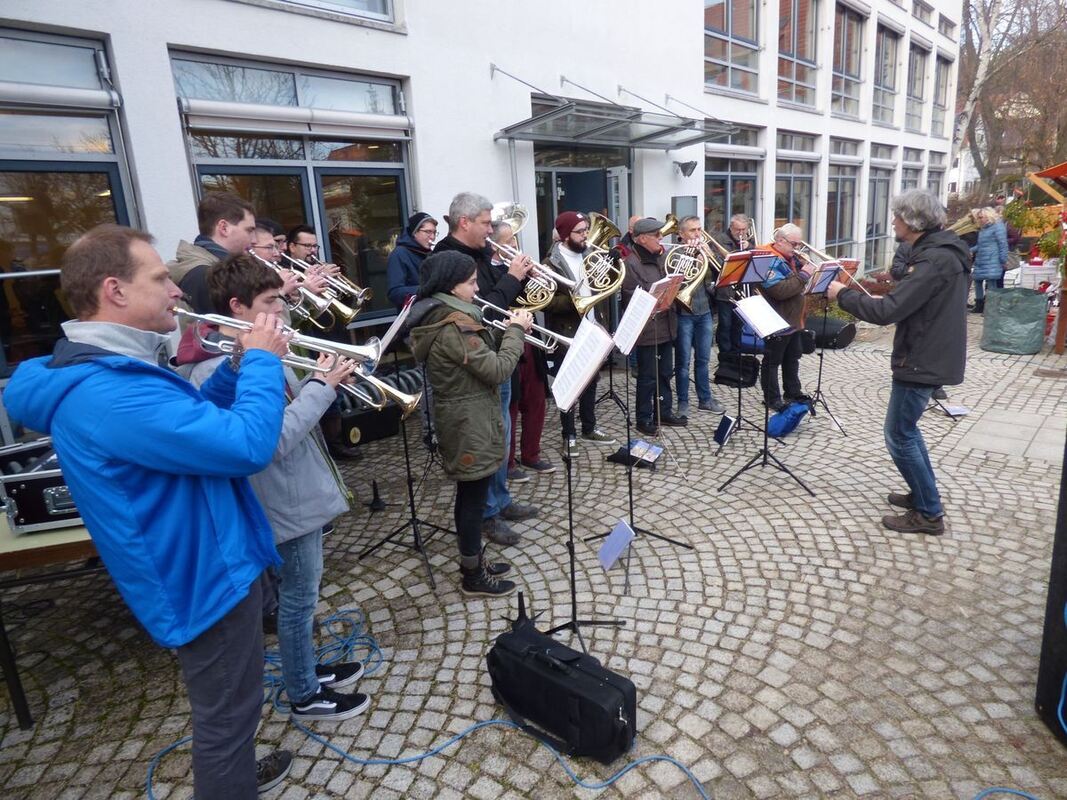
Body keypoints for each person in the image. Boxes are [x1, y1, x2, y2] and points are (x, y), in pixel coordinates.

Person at [3, 224, 294, 797]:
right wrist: (262, 363)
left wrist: (234, 370)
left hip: (211, 553)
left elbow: (188, 431)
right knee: (226, 720)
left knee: (235, 708)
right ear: (115, 290)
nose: (178, 291)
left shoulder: (118, 369)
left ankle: (234, 774)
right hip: (201, 576)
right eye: (160, 278)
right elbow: (245, 447)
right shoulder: (108, 389)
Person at [179, 254, 371, 722]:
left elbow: (283, 407)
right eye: (271, 302)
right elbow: (272, 440)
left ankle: (306, 670)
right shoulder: (212, 370)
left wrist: (317, 377)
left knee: (302, 598)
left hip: (296, 492)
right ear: (237, 307)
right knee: (297, 601)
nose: (282, 311)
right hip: (282, 501)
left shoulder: (259, 352)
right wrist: (321, 388)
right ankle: (304, 694)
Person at [827, 189, 970, 535]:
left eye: (897, 217)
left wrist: (841, 294)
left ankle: (929, 513)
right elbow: (908, 301)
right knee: (908, 431)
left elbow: (887, 313)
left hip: (922, 356)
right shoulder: (942, 253)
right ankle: (922, 494)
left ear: (912, 221)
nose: (892, 222)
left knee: (899, 434)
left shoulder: (933, 260)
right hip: (931, 351)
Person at [408, 250, 531, 596]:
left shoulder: (451, 316)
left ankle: (474, 559)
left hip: (469, 415)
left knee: (471, 495)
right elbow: (496, 369)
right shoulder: (454, 326)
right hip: (467, 420)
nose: (477, 289)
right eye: (471, 282)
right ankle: (472, 576)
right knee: (472, 499)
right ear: (450, 286)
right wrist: (516, 332)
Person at [435, 192, 538, 545]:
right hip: (480, 361)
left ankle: (501, 498)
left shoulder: (479, 253)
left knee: (502, 433)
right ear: (464, 222)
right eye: (485, 222)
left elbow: (499, 299)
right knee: (490, 439)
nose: (491, 229)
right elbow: (486, 311)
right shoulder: (450, 259)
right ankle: (488, 512)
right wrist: (511, 277)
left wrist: (522, 278)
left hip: (496, 351)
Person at [544, 211, 616, 449]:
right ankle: (568, 434)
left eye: (586, 230)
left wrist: (612, 264)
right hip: (568, 331)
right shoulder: (550, 264)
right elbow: (546, 302)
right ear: (565, 235)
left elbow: (602, 287)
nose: (586, 235)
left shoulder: (591, 255)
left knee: (592, 380)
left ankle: (589, 426)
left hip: (592, 327)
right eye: (580, 231)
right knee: (571, 383)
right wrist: (575, 301)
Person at [489, 220, 553, 479]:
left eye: (515, 241)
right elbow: (494, 303)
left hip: (529, 337)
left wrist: (537, 279)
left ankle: (531, 454)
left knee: (535, 399)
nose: (515, 247)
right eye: (509, 242)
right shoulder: (489, 270)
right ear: (495, 245)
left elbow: (538, 301)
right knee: (511, 403)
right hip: (504, 339)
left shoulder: (519, 270)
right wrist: (514, 276)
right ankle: (508, 462)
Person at [621, 217, 684, 436]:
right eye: (657, 236)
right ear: (642, 238)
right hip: (647, 328)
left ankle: (663, 412)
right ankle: (643, 418)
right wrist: (656, 293)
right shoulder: (631, 263)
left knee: (666, 372)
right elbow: (631, 297)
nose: (661, 239)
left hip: (667, 324)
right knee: (647, 376)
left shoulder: (663, 256)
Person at [168, 192, 256, 313]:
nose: (254, 240)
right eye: (249, 230)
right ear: (224, 228)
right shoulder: (203, 275)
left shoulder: (213, 268)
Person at [760, 224, 815, 411]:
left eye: (799, 244)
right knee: (772, 360)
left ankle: (792, 391)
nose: (797, 249)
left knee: (792, 357)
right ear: (780, 241)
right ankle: (772, 398)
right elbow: (780, 291)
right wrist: (803, 275)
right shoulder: (768, 260)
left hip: (793, 319)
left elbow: (797, 284)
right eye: (794, 244)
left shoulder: (789, 257)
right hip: (777, 319)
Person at [673, 215, 724, 417]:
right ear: (682, 234)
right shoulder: (675, 253)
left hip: (704, 311)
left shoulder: (704, 250)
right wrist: (691, 258)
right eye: (693, 230)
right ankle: (682, 402)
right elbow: (677, 281)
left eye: (699, 229)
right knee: (683, 362)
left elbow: (720, 272)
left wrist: (710, 256)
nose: (698, 234)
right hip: (684, 313)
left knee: (703, 359)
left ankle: (705, 399)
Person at [712, 214, 752, 356]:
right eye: (737, 230)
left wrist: (750, 247)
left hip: (743, 290)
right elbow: (718, 263)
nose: (741, 233)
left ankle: (736, 355)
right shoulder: (720, 240)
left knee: (738, 325)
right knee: (725, 324)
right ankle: (725, 356)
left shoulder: (749, 240)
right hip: (725, 291)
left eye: (744, 230)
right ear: (731, 227)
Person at [387, 212, 438, 309]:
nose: (432, 237)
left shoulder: (430, 254)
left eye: (434, 232)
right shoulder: (399, 254)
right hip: (412, 318)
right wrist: (427, 289)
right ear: (415, 232)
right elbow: (394, 293)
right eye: (428, 232)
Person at [970, 206, 1008, 314]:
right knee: (977, 281)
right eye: (979, 217)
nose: (979, 220)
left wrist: (1003, 260)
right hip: (981, 259)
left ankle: (991, 307)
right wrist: (970, 250)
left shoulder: (998, 227)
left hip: (992, 259)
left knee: (991, 283)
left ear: (988, 216)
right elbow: (981, 245)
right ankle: (979, 305)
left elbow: (1003, 244)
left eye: (981, 217)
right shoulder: (983, 229)